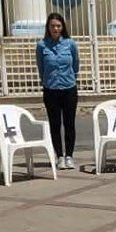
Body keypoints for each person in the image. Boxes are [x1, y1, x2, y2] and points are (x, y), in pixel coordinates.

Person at [35, 12, 79, 170]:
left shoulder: (70, 44)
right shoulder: (42, 46)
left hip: (69, 89)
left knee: (69, 124)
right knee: (55, 124)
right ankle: (59, 155)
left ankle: (69, 156)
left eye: (58, 26)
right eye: (53, 26)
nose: (55, 28)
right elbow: (41, 67)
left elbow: (75, 66)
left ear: (62, 28)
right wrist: (48, 81)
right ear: (48, 27)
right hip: (51, 90)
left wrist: (70, 78)